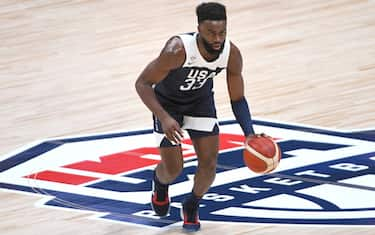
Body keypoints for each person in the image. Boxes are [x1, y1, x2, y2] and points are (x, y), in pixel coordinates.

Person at [135, 2, 257, 231]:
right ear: (199, 29)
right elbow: (142, 83)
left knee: (209, 165)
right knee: (173, 169)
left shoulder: (232, 54)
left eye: (222, 32)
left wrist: (249, 133)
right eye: (211, 33)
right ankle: (160, 184)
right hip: (167, 105)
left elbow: (238, 99)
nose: (217, 39)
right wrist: (163, 116)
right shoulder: (176, 50)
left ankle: (191, 204)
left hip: (200, 104)